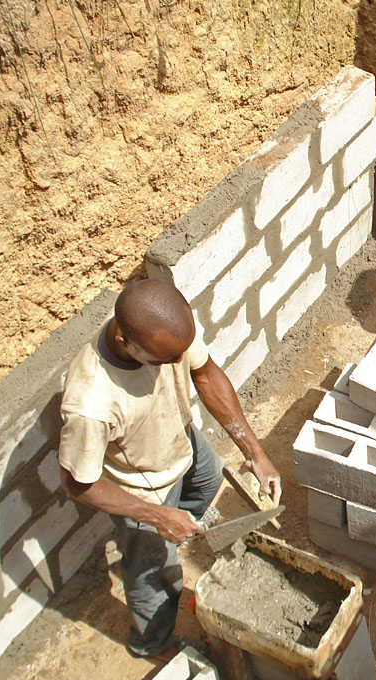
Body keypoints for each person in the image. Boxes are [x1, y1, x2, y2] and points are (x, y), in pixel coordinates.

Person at [58, 278, 282, 659]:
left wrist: (255, 453)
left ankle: (182, 528)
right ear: (126, 343)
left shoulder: (170, 332)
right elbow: (79, 483)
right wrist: (158, 515)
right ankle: (153, 643)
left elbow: (207, 374)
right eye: (166, 360)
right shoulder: (91, 402)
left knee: (209, 478)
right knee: (154, 575)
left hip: (181, 442)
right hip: (143, 489)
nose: (179, 362)